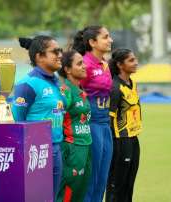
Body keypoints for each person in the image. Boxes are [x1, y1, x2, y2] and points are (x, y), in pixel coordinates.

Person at [12, 35, 65, 199]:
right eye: (55, 52)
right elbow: (18, 121)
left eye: (60, 51)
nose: (60, 55)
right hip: (36, 152)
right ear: (39, 56)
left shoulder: (55, 81)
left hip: (56, 147)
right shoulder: (27, 84)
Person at [72, 25, 114, 202]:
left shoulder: (104, 64)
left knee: (102, 178)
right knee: (92, 177)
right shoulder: (85, 64)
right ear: (92, 42)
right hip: (91, 123)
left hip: (105, 124)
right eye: (105, 37)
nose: (110, 40)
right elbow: (74, 91)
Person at [106, 49, 142, 202]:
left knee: (129, 184)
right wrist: (113, 145)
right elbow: (109, 119)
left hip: (133, 140)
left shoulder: (132, 83)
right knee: (117, 185)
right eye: (131, 60)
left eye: (135, 59)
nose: (136, 63)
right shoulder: (115, 88)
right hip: (120, 141)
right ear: (120, 65)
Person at [56, 50, 92, 201]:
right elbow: (57, 116)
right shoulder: (66, 91)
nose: (85, 66)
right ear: (67, 69)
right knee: (67, 194)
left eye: (83, 62)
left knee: (80, 193)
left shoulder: (80, 90)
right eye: (79, 63)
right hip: (72, 148)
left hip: (85, 146)